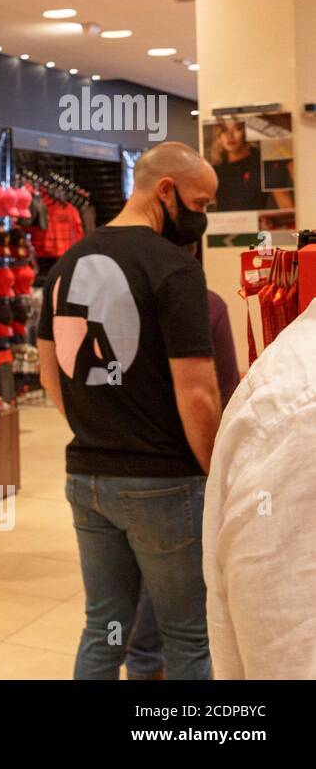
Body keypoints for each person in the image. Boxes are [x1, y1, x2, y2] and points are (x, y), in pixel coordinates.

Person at [36, 142, 221, 680]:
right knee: (187, 635)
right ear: (166, 190)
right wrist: (214, 473)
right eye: (200, 202)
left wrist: (100, 424)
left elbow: (52, 373)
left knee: (103, 629)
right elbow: (199, 394)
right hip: (164, 482)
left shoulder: (67, 263)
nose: (202, 216)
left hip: (87, 477)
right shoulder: (174, 269)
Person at [125, 242, 241, 679]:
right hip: (181, 471)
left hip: (116, 471)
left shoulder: (114, 308)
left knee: (128, 613)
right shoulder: (207, 305)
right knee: (187, 628)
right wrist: (216, 473)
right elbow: (221, 395)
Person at [203, 296, 316, 678]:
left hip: (94, 464)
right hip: (164, 478)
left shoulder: (66, 270)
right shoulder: (303, 410)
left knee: (112, 620)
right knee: (177, 631)